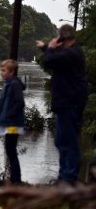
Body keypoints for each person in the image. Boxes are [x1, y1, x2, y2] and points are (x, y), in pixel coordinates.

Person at [36, 24, 87, 186]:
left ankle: (69, 177)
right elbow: (56, 58)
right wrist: (46, 48)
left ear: (62, 38)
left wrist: (50, 48)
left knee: (69, 141)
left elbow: (50, 61)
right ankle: (64, 175)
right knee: (61, 140)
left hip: (70, 102)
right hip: (65, 102)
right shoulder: (70, 52)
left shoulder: (73, 53)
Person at [0, 59, 26, 185]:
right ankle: (14, 178)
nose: (2, 73)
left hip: (13, 124)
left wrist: (10, 115)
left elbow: (20, 102)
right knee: (9, 149)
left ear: (11, 72)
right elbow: (2, 104)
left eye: (4, 70)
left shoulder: (14, 84)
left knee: (11, 149)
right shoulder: (8, 84)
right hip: (9, 122)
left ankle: (16, 179)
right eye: (1, 70)